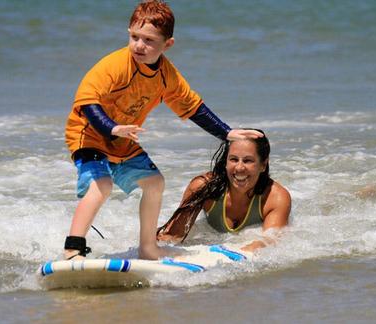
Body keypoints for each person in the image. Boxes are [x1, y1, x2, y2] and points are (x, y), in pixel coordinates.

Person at [63, 0, 263, 260]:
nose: (139, 45)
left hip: (123, 141)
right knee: (102, 185)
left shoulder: (167, 75)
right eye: (134, 37)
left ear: (167, 44)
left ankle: (148, 248)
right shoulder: (114, 65)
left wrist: (226, 133)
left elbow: (193, 107)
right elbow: (88, 102)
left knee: (155, 183)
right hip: (88, 134)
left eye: (149, 40)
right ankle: (73, 249)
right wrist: (113, 128)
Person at [157, 130, 291, 253]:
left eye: (248, 160)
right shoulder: (204, 187)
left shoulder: (275, 198)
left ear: (263, 165)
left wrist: (241, 252)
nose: (239, 167)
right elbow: (172, 235)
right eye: (233, 159)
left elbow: (270, 242)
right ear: (226, 162)